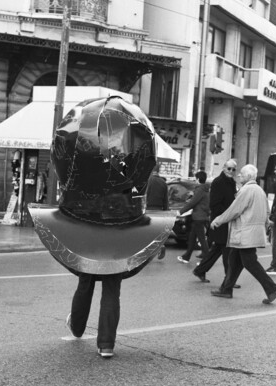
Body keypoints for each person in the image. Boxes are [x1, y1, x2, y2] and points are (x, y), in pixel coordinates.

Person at [29, 96, 173, 358]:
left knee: (85, 280)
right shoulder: (133, 156)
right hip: (123, 224)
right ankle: (106, 344)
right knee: (111, 287)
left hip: (84, 219)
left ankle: (77, 328)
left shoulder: (80, 154)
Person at [209, 164, 276, 304]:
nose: (238, 176)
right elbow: (267, 211)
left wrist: (218, 220)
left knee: (250, 263)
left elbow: (234, 210)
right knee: (234, 261)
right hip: (251, 232)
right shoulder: (260, 191)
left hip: (244, 233)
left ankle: (272, 289)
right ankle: (226, 289)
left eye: (241, 174)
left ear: (248, 177)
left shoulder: (246, 190)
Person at [193, 159, 238, 283]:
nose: (231, 171)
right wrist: (228, 213)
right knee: (226, 251)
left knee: (217, 250)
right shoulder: (218, 182)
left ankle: (200, 270)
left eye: (234, 169)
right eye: (229, 168)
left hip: (226, 221)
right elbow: (214, 204)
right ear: (224, 168)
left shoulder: (231, 182)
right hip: (220, 221)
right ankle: (229, 281)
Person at [177, 170, 210, 264]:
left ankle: (206, 260)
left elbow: (193, 203)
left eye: (195, 179)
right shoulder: (205, 189)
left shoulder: (200, 190)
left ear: (198, 179)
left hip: (199, 217)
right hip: (200, 216)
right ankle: (186, 257)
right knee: (192, 237)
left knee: (202, 239)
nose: (195, 181)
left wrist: (181, 211)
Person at [146, 165, 169, 260]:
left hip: (148, 209)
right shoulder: (163, 182)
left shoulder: (147, 181)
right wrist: (166, 212)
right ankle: (160, 245)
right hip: (159, 210)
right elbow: (166, 200)